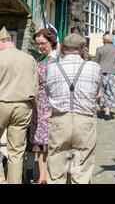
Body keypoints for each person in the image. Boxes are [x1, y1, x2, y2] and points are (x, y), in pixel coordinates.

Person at [45, 33, 101, 184]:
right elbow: (97, 93)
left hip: (60, 120)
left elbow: (49, 92)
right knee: (80, 167)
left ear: (62, 49)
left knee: (56, 165)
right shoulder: (94, 67)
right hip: (84, 121)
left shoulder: (52, 68)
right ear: (82, 49)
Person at [0, 27, 39, 184]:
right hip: (23, 106)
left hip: (1, 103)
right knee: (16, 151)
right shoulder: (29, 59)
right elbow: (35, 86)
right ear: (11, 42)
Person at [29, 29, 59, 184]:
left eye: (43, 43)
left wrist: (55, 110)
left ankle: (50, 176)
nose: (40, 46)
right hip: (38, 106)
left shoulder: (57, 60)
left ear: (52, 42)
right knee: (40, 143)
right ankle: (42, 178)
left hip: (50, 104)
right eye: (37, 44)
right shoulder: (41, 58)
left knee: (49, 142)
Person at [94, 34, 115, 121]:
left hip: (101, 72)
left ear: (104, 40)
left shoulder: (99, 49)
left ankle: (102, 110)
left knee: (101, 91)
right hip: (112, 73)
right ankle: (107, 112)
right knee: (110, 92)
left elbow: (96, 62)